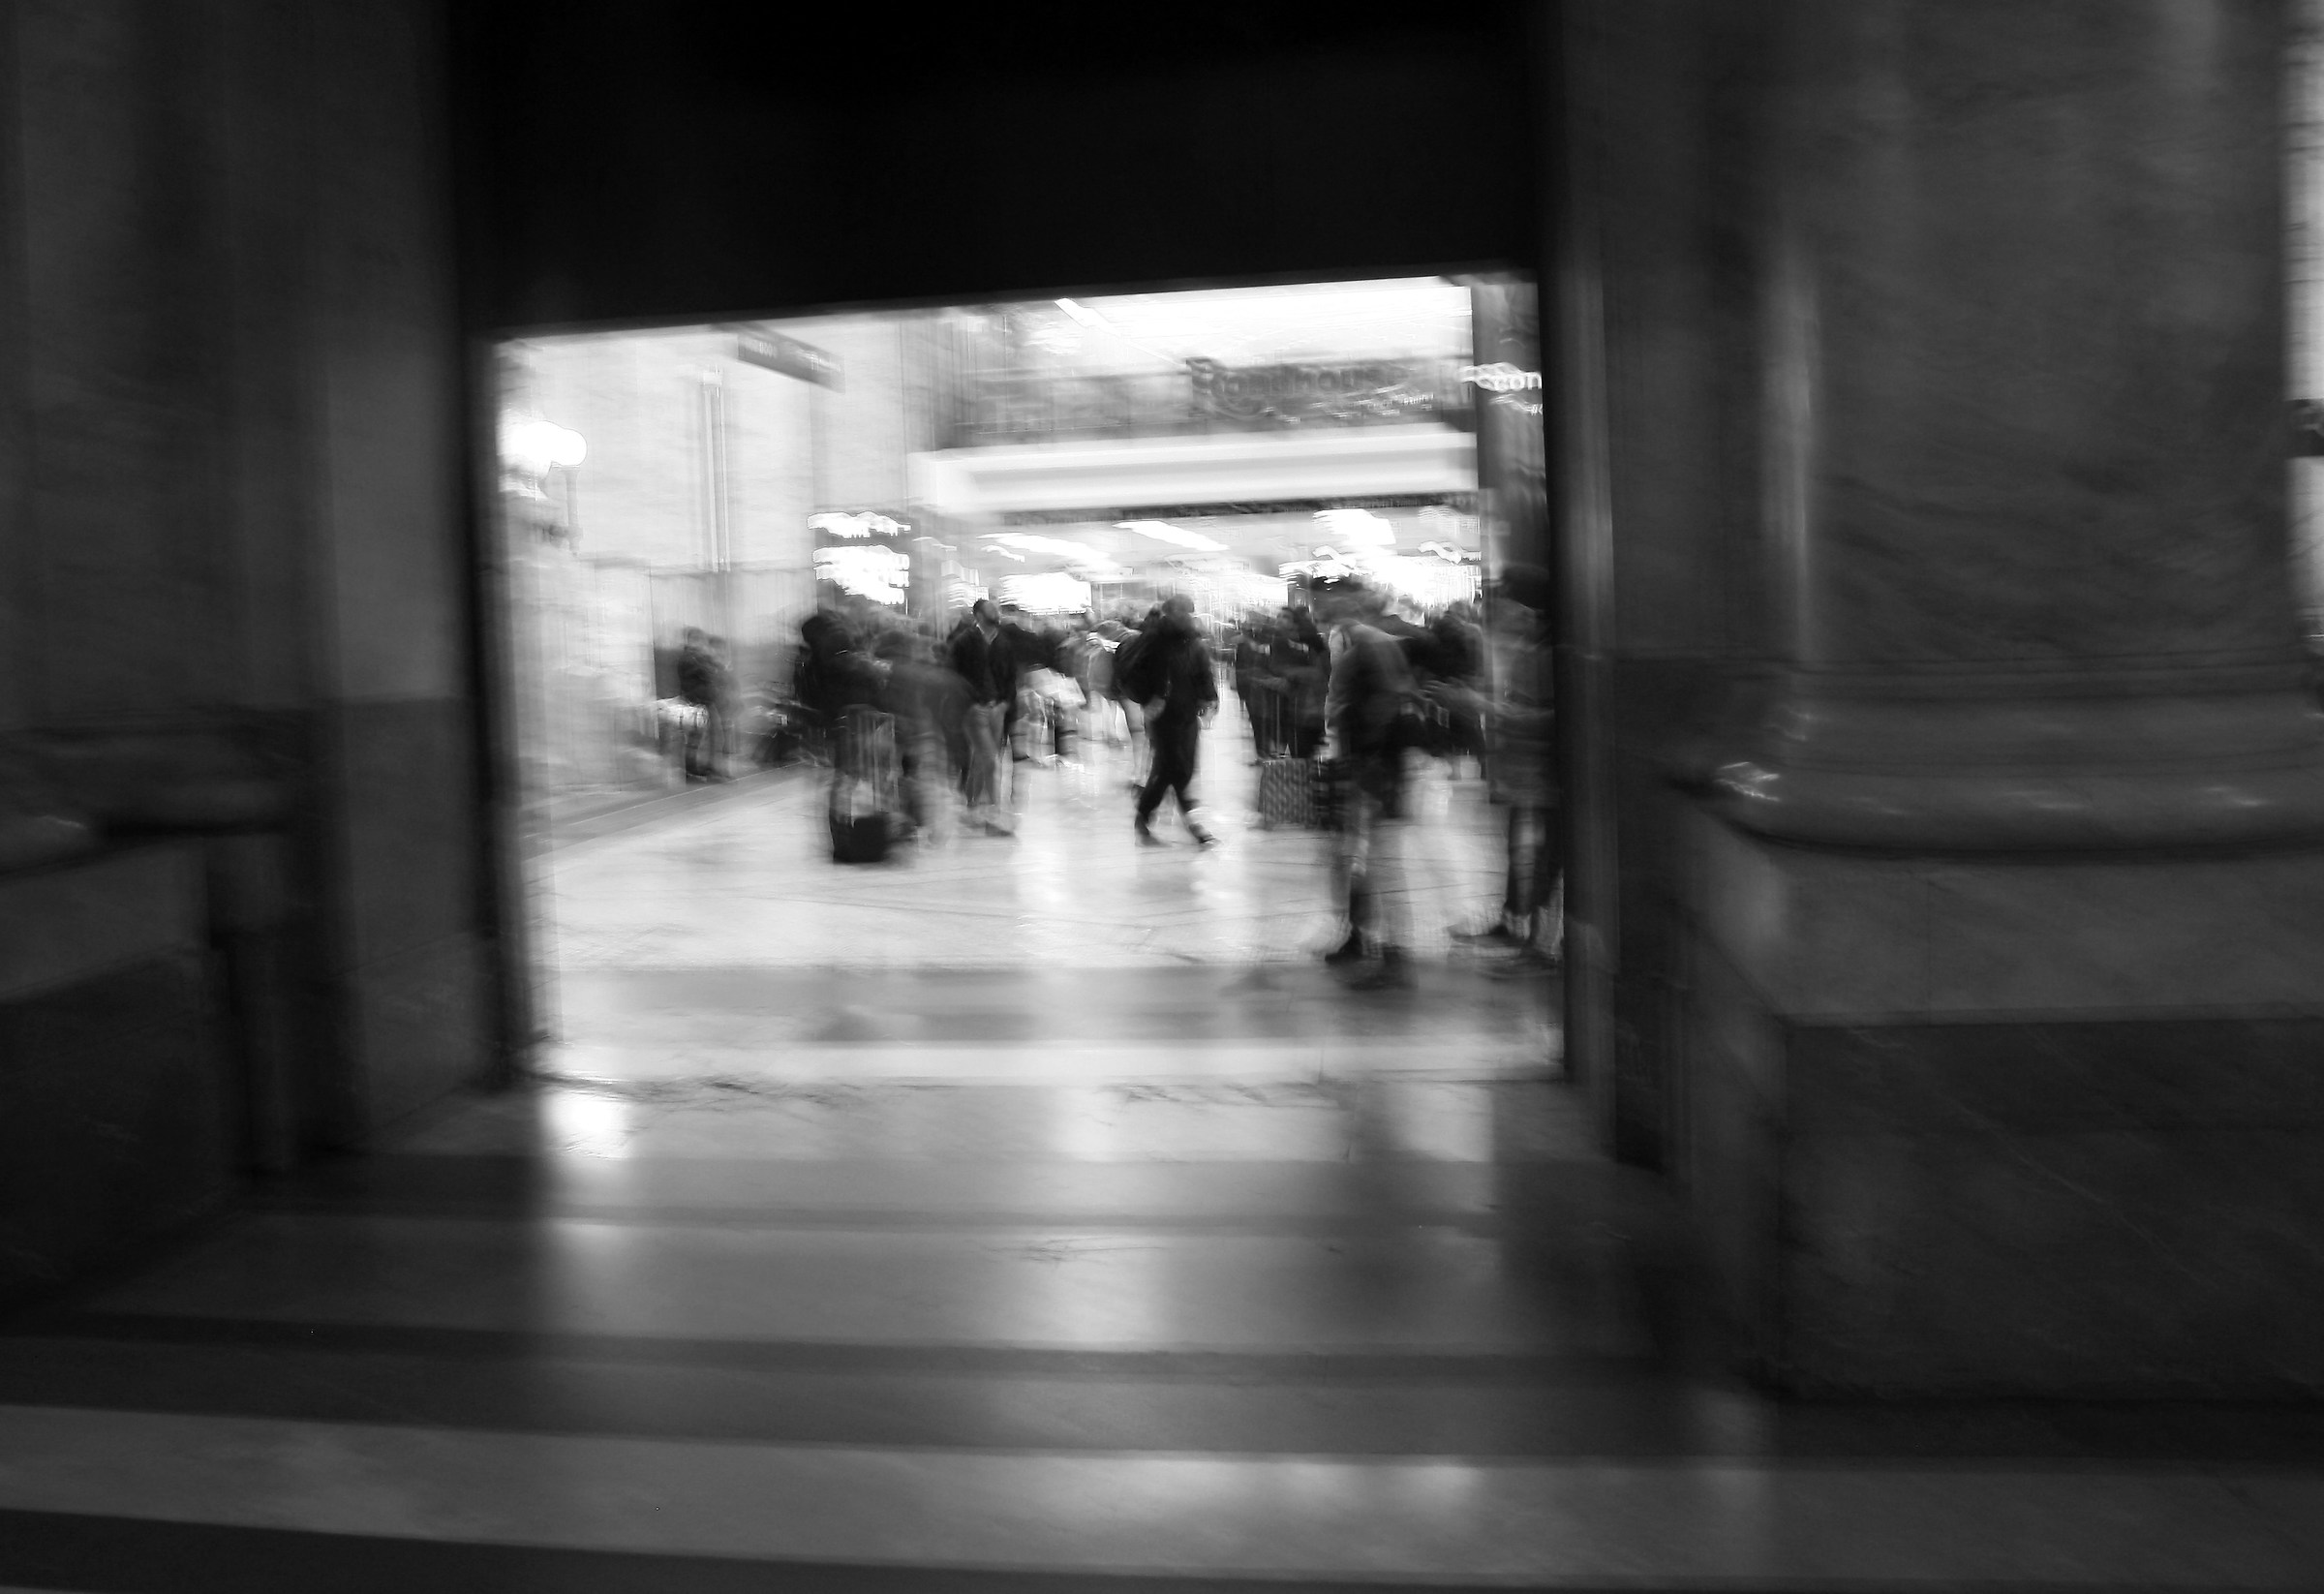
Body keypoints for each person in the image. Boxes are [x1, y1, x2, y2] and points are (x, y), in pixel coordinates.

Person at [1451, 564, 1561, 974]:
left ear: (1527, 609)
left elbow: (1551, 717)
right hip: (1525, 773)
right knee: (1522, 853)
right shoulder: (1529, 647)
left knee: (1546, 859)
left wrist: (1486, 707)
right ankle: (1514, 925)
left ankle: (1541, 944)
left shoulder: (1550, 653)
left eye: (1506, 604)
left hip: (1549, 775)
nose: (1495, 612)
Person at [1315, 578, 1423, 989]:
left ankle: (1391, 951)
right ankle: (1361, 937)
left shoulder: (1369, 646)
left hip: (1372, 770)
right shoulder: (1356, 643)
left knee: (1374, 860)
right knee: (1355, 858)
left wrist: (1368, 763)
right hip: (1364, 766)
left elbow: (1386, 705)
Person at [1117, 594, 1219, 847]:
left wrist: (1209, 699)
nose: (1186, 616)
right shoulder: (1153, 640)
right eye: (1181, 612)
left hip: (1187, 714)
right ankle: (1194, 824)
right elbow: (1130, 671)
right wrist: (1150, 697)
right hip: (1161, 717)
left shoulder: (1193, 642)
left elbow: (1203, 672)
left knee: (1173, 769)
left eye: (1189, 612)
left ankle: (1143, 816)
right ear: (1169, 613)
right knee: (1176, 767)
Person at [947, 598, 1014, 835]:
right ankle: (994, 812)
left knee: (981, 760)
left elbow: (1010, 675)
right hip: (974, 709)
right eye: (990, 610)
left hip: (997, 708)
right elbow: (954, 676)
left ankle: (971, 805)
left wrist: (1005, 703)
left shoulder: (1003, 642)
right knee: (989, 759)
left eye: (996, 609)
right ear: (978, 615)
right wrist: (968, 703)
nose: (996, 613)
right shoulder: (964, 642)